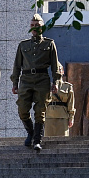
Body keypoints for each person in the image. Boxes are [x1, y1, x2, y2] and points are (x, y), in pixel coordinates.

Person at [11, 13, 60, 151]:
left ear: (42, 27)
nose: (34, 28)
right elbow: (17, 66)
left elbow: (55, 65)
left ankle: (37, 140)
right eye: (32, 25)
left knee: (40, 111)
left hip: (42, 79)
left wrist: (56, 82)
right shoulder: (23, 45)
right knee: (22, 110)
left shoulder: (49, 44)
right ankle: (31, 133)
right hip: (26, 80)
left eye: (37, 25)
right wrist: (15, 83)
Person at [45, 63, 75, 136]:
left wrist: (71, 118)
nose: (58, 72)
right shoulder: (48, 86)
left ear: (63, 71)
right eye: (56, 70)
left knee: (63, 139)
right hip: (50, 116)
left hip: (62, 116)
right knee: (48, 139)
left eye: (59, 69)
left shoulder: (67, 86)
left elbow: (71, 103)